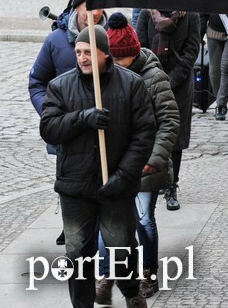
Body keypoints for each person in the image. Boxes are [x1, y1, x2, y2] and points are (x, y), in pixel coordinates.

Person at [40, 25, 155, 307]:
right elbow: (49, 129)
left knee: (121, 249)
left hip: (116, 186)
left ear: (105, 54)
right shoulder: (60, 86)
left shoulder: (131, 84)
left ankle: (130, 291)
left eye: (88, 52)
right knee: (77, 255)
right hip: (75, 187)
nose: (82, 58)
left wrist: (123, 176)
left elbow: (144, 135)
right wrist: (81, 118)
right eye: (78, 52)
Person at [96, 13, 179, 302]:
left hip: (145, 166)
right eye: (112, 59)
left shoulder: (153, 76)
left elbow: (169, 120)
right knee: (108, 221)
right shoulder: (104, 77)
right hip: (116, 164)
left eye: (121, 59)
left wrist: (153, 160)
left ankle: (149, 273)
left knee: (143, 220)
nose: (116, 65)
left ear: (131, 54)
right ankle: (106, 275)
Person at [29, 0, 106, 247]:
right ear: (77, 8)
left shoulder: (112, 38)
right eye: (88, 8)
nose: (94, 13)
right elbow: (37, 82)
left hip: (105, 129)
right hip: (67, 131)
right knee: (69, 180)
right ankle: (72, 224)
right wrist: (50, 113)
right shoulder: (56, 41)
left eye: (99, 8)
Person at [136, 9, 200, 211]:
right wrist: (154, 80)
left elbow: (191, 51)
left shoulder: (191, 15)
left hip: (179, 84)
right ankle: (152, 179)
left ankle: (172, 185)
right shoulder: (147, 13)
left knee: (176, 135)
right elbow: (141, 46)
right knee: (150, 131)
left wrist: (170, 81)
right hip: (150, 81)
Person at [200, 13, 228, 121]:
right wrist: (199, 34)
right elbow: (203, 12)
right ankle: (218, 99)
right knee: (214, 71)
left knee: (226, 66)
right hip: (214, 32)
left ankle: (221, 105)